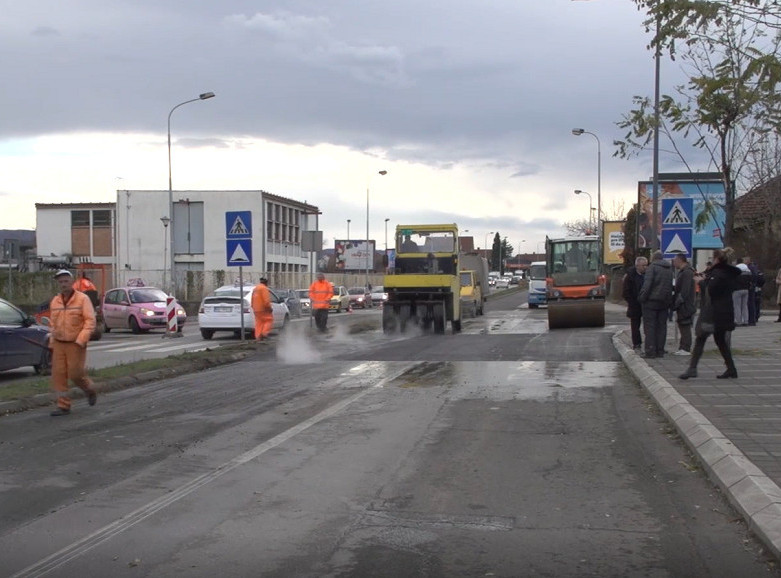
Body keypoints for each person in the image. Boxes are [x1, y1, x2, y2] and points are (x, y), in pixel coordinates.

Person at [679, 248, 741, 380]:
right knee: (721, 341)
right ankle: (731, 369)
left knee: (700, 338)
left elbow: (711, 291)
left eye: (713, 259)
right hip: (724, 312)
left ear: (717, 259)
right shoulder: (728, 273)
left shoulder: (718, 274)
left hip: (714, 313)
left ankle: (692, 369)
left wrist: (700, 282)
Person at [48, 269, 98, 416]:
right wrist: (52, 341)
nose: (63, 284)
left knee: (75, 374)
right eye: (60, 282)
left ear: (72, 282)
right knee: (59, 375)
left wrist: (81, 340)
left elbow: (90, 321)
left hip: (75, 343)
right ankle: (63, 405)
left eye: (66, 281)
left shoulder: (82, 299)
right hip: (58, 342)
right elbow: (53, 324)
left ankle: (89, 389)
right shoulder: (55, 301)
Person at [638, 250, 674, 358]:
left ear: (653, 258)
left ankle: (650, 351)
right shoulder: (669, 269)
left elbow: (647, 285)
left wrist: (642, 298)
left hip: (651, 301)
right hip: (664, 302)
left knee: (650, 327)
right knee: (662, 327)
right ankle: (660, 350)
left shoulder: (652, 268)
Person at [672, 253, 696, 355]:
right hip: (684, 303)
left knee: (685, 325)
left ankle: (686, 348)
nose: (673, 263)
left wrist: (676, 303)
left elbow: (684, 291)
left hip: (686, 304)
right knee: (682, 325)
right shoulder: (684, 272)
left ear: (680, 260)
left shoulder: (687, 272)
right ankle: (683, 347)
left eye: (675, 261)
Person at [622, 256, 648, 351]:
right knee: (635, 326)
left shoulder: (648, 275)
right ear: (637, 266)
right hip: (635, 305)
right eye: (643, 265)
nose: (645, 267)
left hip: (646, 304)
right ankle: (637, 343)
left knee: (648, 325)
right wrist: (632, 302)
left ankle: (649, 343)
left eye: (646, 265)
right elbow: (625, 292)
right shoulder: (630, 276)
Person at [251, 277, 273, 341]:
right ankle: (264, 333)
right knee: (269, 320)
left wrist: (253, 307)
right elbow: (266, 300)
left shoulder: (255, 289)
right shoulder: (264, 288)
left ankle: (258, 336)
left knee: (259, 322)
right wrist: (269, 307)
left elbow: (252, 300)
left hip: (256, 309)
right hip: (263, 309)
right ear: (266, 282)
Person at [733, 258, 751, 326]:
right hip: (746, 289)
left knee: (737, 306)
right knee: (744, 306)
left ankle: (738, 321)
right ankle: (746, 321)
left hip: (737, 290)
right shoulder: (748, 270)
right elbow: (751, 279)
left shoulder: (736, 270)